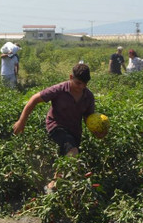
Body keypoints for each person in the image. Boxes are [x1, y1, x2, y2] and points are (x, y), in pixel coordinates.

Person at [12, 63, 107, 192]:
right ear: (70, 77)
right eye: (78, 83)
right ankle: (55, 186)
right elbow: (34, 99)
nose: (81, 87)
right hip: (56, 125)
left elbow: (88, 118)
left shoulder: (88, 96)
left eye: (84, 84)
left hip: (75, 131)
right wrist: (21, 121)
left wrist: (97, 132)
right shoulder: (59, 89)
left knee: (68, 158)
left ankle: (52, 187)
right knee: (72, 152)